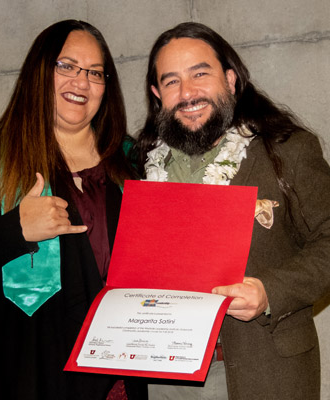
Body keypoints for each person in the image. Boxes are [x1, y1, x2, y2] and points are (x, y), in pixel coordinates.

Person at [0, 20, 147, 400]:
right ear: (39, 73)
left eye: (95, 73)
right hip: (20, 379)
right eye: (66, 66)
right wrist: (12, 230)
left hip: (115, 384)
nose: (81, 82)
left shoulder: (132, 165)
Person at [134, 22, 330, 400]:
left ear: (230, 78)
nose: (188, 92)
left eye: (200, 74)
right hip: (167, 375)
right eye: (172, 82)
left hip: (266, 373)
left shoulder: (285, 150)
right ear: (158, 94)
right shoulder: (138, 166)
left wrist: (269, 290)